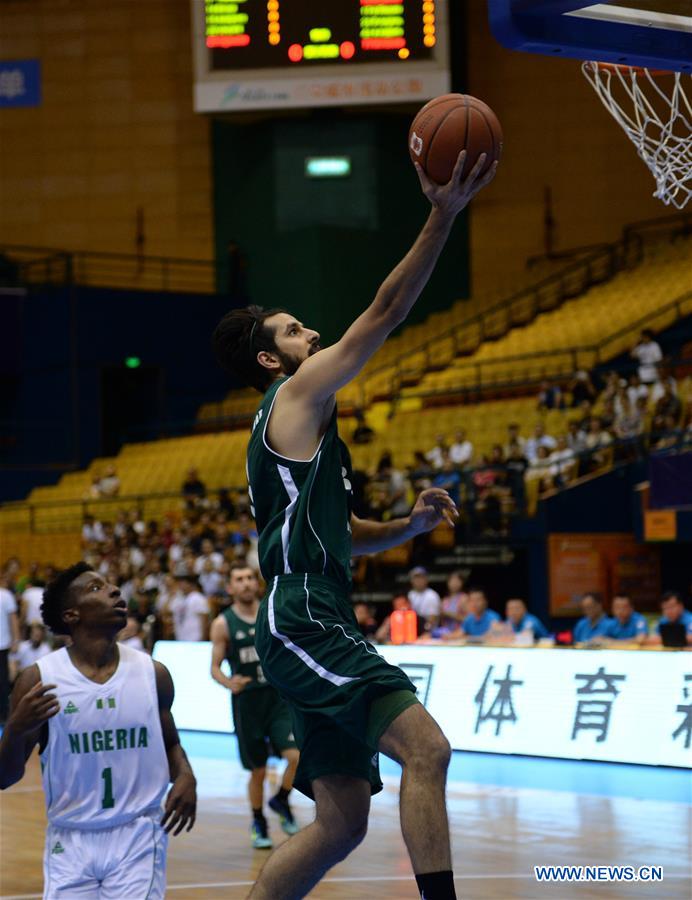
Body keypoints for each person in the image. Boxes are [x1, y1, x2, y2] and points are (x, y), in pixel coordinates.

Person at [211, 147, 495, 900]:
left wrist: (404, 525)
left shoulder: (307, 439)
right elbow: (387, 309)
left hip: (311, 607)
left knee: (341, 824)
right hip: (305, 612)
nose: (314, 335)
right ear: (275, 360)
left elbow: (349, 531)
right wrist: (443, 212)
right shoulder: (297, 395)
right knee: (427, 750)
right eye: (299, 331)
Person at [0, 562, 196, 898]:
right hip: (70, 838)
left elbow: (171, 744)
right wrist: (15, 729)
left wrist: (185, 775)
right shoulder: (40, 679)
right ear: (72, 615)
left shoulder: (154, 674)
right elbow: (4, 777)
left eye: (110, 584)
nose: (114, 590)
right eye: (96, 588)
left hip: (138, 833)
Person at [210, 564, 300, 849]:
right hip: (247, 703)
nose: (247, 583)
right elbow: (214, 667)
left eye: (250, 578)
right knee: (258, 771)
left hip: (277, 699)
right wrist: (228, 682)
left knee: (297, 756)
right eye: (239, 579)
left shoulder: (271, 613)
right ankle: (259, 820)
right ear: (231, 588)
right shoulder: (223, 623)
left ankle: (282, 799)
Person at [0, 576, 19, 723]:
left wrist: (15, 640)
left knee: (3, 682)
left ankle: (4, 715)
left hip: (2, 645)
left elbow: (13, 619)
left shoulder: (5, 595)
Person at [168, 575, 209, 642]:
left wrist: (203, 638)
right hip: (181, 637)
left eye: (183, 583)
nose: (180, 586)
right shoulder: (180, 598)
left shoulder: (198, 598)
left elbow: (204, 619)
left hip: (195, 638)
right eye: (179, 583)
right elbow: (169, 612)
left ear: (190, 584)